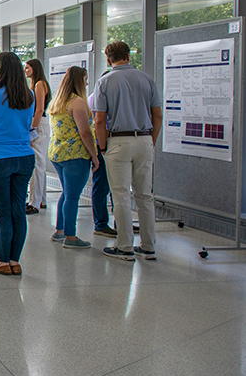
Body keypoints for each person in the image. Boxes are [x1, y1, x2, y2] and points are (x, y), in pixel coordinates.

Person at [94, 41, 162, 261]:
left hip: (118, 142)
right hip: (144, 140)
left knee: (121, 195)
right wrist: (151, 140)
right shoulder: (147, 79)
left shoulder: (104, 82)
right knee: (144, 196)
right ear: (128, 56)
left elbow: (100, 119)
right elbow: (157, 115)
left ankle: (125, 247)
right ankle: (149, 246)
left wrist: (103, 146)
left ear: (108, 58)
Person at [0, 52, 35, 275]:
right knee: (18, 209)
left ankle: (2, 262)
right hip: (24, 157)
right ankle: (15, 260)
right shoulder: (29, 95)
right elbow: (28, 123)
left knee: (2, 212)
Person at [47, 66, 100, 249]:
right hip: (75, 154)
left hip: (57, 153)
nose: (87, 82)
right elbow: (85, 133)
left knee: (67, 192)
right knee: (72, 196)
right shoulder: (77, 102)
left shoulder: (57, 101)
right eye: (85, 79)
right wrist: (94, 156)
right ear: (79, 80)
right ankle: (70, 236)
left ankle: (60, 230)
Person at [88, 72, 116, 238]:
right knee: (102, 186)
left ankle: (120, 222)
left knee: (115, 186)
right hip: (102, 145)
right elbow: (98, 122)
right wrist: (102, 148)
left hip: (107, 144)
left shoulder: (103, 97)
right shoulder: (95, 98)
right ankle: (101, 223)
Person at [25, 58, 52, 215]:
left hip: (39, 123)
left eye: (28, 68)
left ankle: (34, 202)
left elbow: (39, 109)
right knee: (39, 163)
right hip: (39, 123)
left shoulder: (40, 84)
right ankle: (41, 199)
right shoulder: (36, 84)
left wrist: (32, 130)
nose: (26, 70)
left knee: (37, 163)